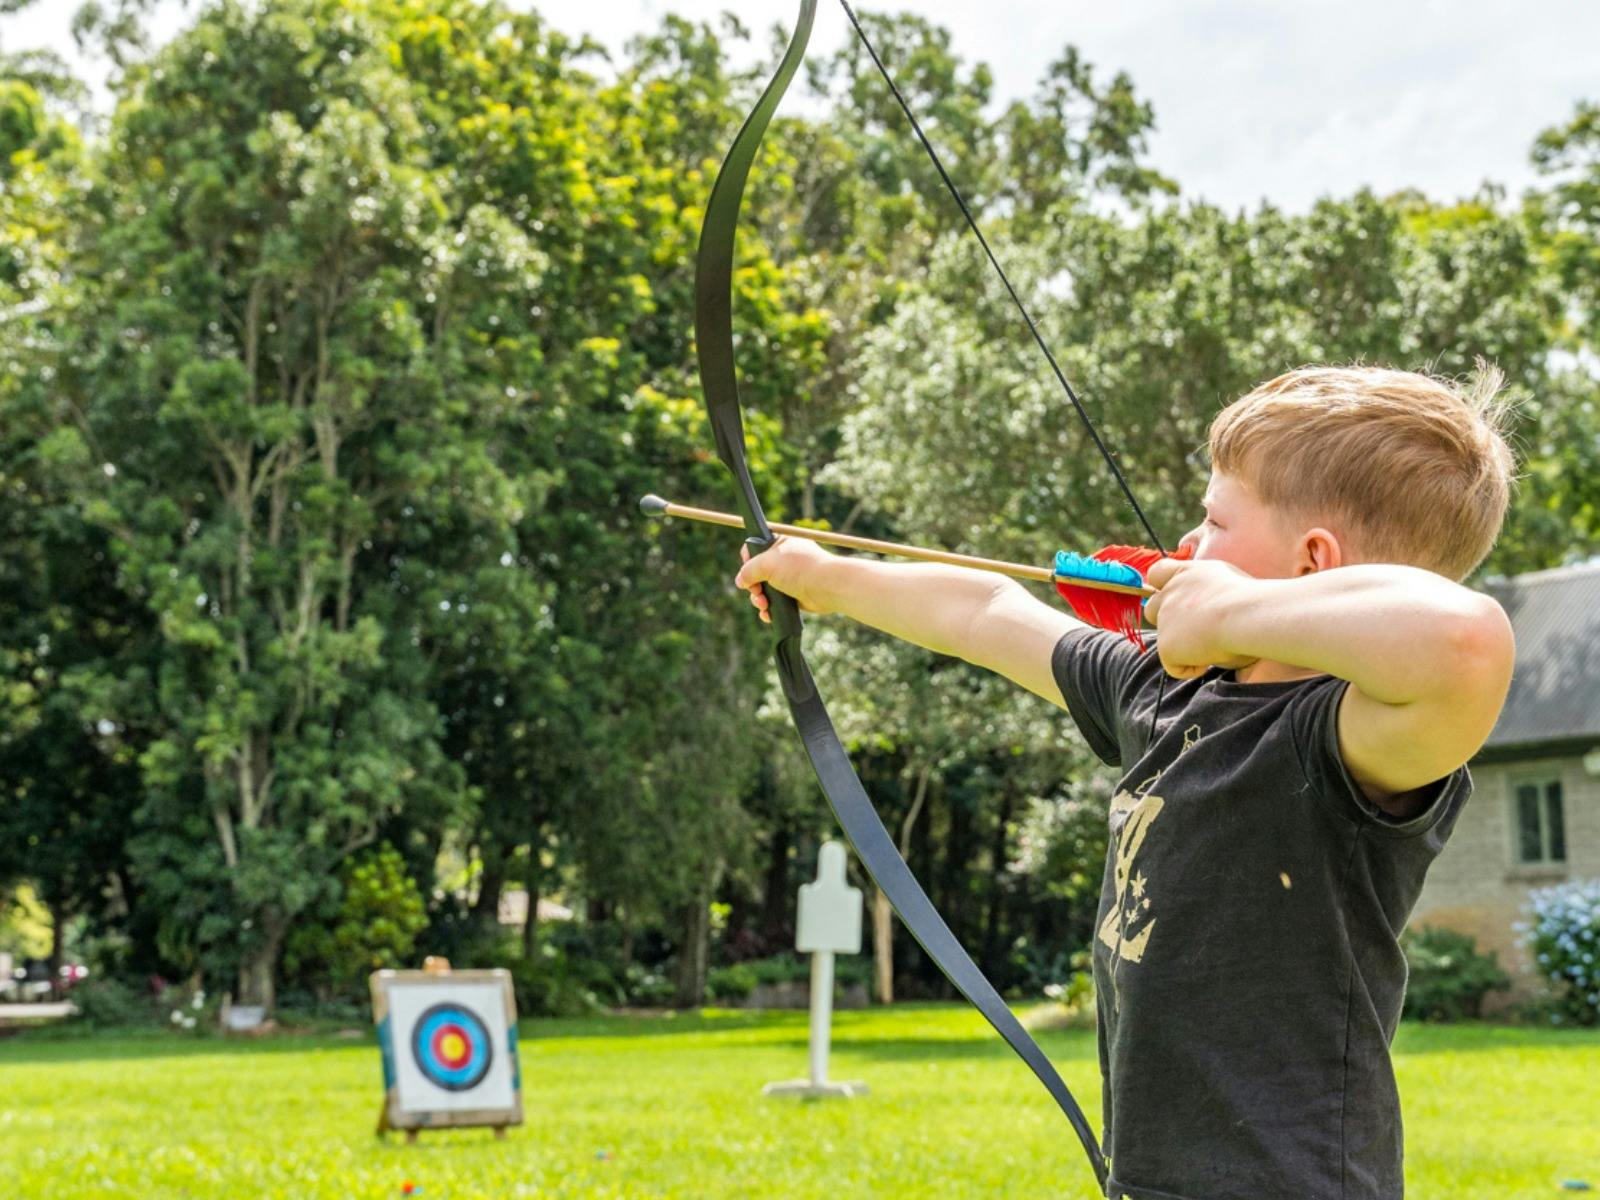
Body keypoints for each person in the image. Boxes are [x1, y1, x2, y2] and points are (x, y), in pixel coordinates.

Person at [734, 365, 1517, 1200]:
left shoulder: (1342, 741)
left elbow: (1465, 641)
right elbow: (985, 612)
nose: (1187, 543)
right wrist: (827, 579)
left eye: (1215, 520)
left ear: (1311, 562)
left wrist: (1228, 612)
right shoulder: (1159, 692)